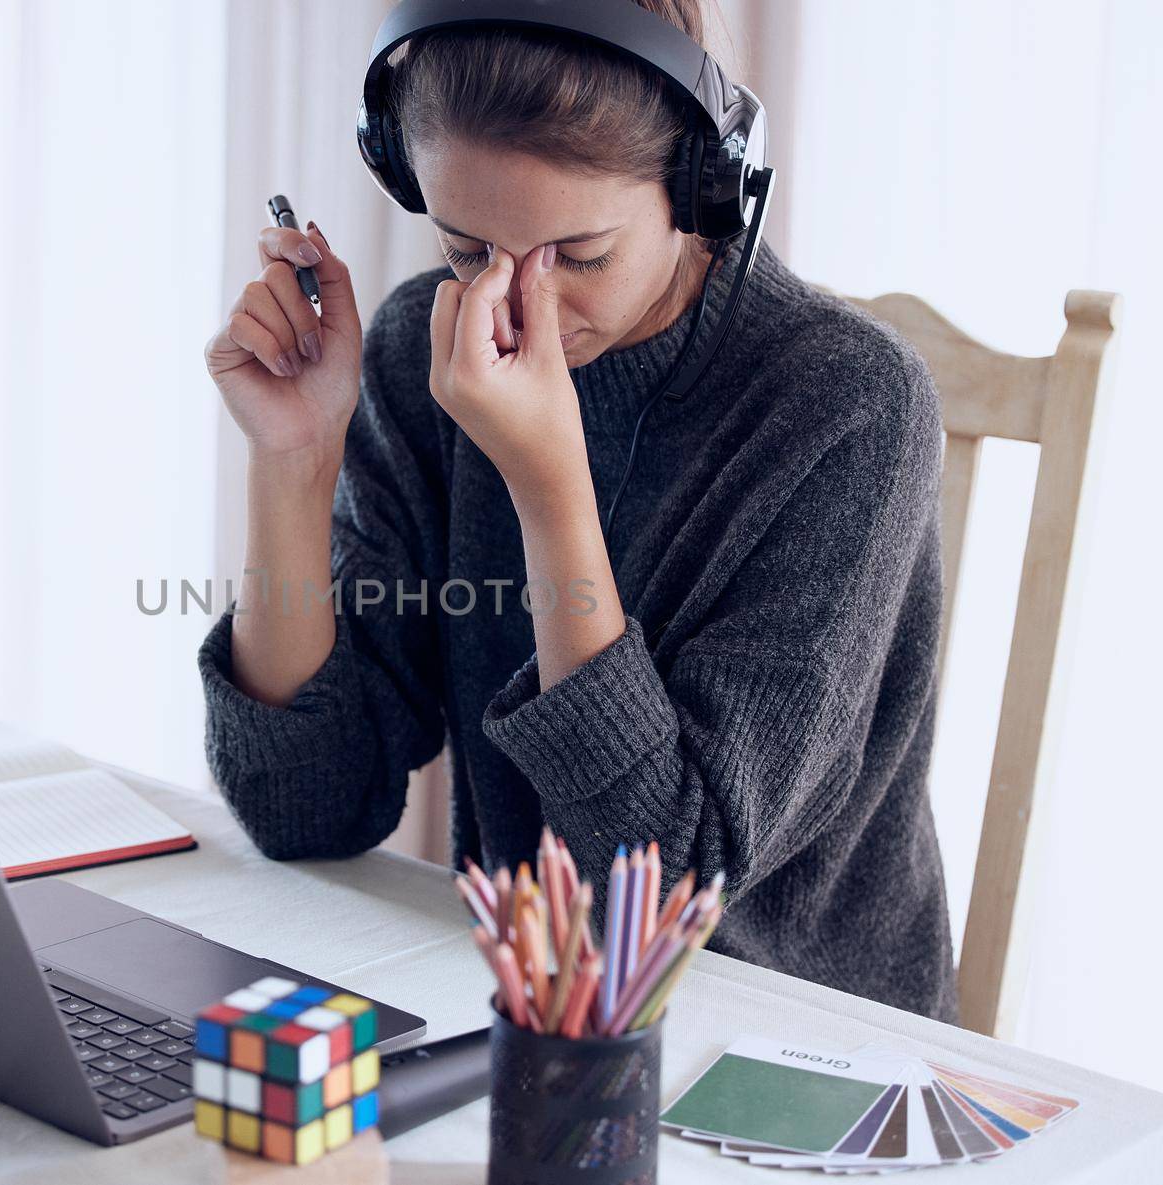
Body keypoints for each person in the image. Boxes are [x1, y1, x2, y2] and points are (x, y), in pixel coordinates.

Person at [197, 0, 958, 1022]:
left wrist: (548, 489)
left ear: (703, 189)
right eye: (468, 250)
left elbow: (664, 893)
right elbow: (305, 808)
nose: (520, 314)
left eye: (583, 257)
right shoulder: (422, 349)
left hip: (787, 1049)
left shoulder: (848, 405)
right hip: (531, 1021)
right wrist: (294, 461)